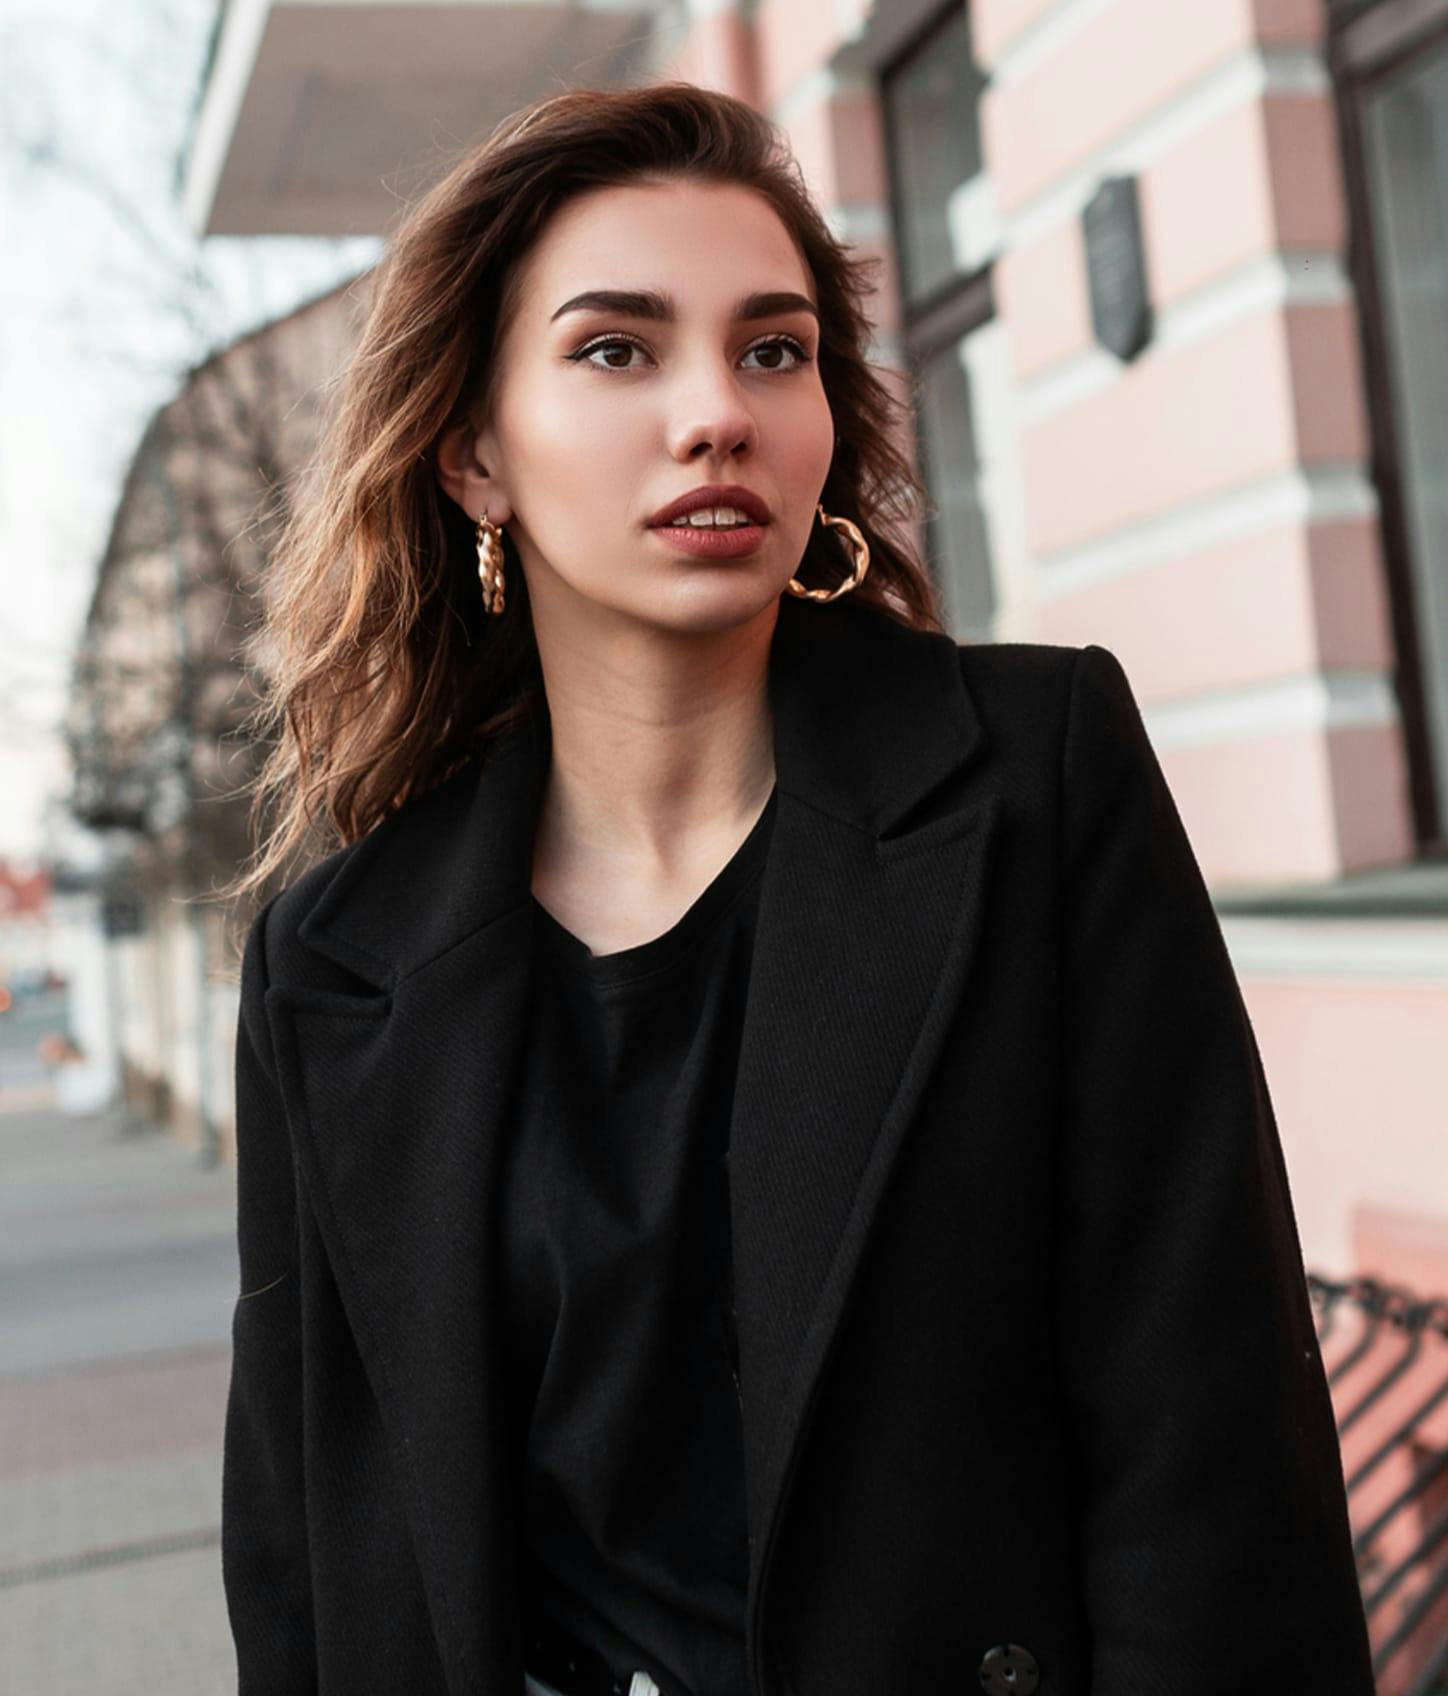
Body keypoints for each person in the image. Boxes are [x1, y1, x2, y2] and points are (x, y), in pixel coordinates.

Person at [219, 82, 1376, 1696]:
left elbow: (1210, 1428)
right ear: (475, 454)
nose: (718, 413)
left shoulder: (1034, 779)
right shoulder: (335, 959)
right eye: (617, 349)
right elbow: (308, 1548)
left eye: (774, 350)